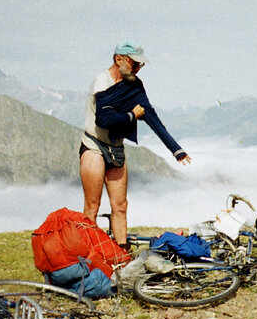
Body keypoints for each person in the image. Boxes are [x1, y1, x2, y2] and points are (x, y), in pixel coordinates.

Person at [80, 42, 191, 248]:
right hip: (94, 145)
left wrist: (177, 150)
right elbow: (103, 120)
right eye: (134, 64)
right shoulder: (101, 83)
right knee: (92, 205)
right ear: (118, 59)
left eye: (141, 66)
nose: (138, 69)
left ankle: (121, 252)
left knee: (120, 205)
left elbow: (151, 117)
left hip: (116, 148)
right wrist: (132, 115)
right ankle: (88, 254)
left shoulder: (134, 85)